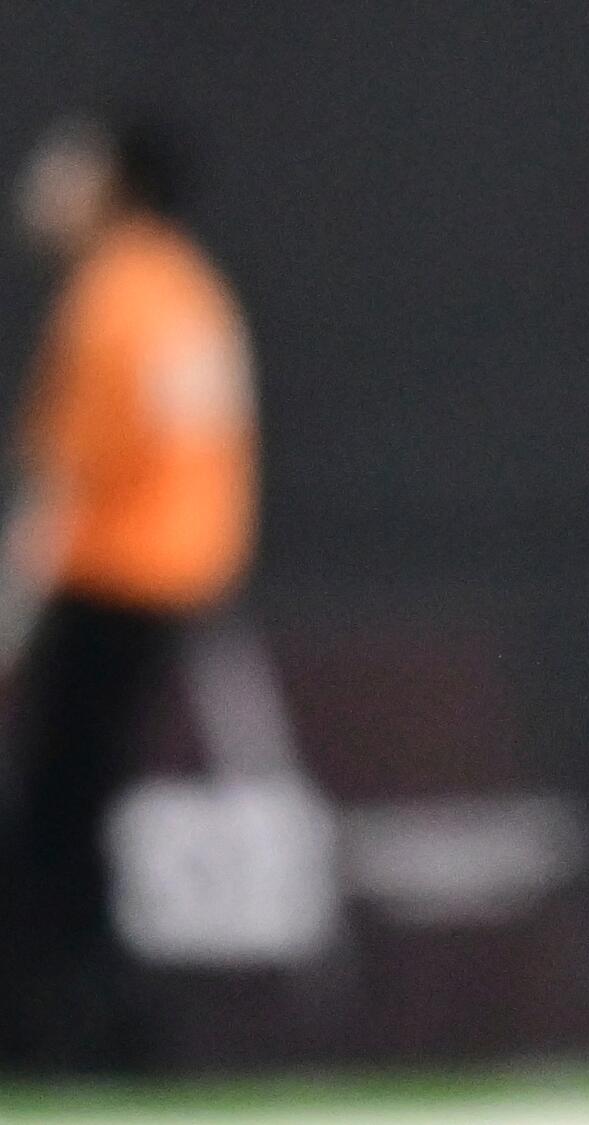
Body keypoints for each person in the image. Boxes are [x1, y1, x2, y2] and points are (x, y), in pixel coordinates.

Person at [0, 115, 257, 1071]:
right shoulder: (186, 287)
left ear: (114, 182)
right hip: (177, 581)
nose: (46, 177)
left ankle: (59, 1030)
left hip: (110, 583)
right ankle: (98, 1024)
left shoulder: (111, 296)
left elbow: (66, 478)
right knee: (84, 804)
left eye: (69, 161)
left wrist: (13, 611)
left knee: (58, 814)